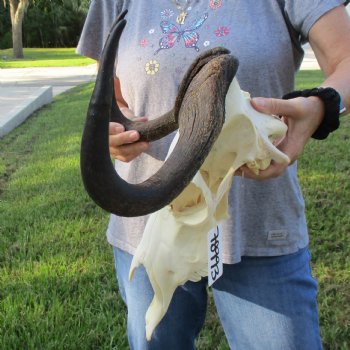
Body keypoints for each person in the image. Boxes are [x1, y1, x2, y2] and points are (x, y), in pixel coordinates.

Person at [77, 1, 350, 349]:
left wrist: (322, 105)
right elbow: (112, 91)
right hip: (149, 232)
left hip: (258, 224)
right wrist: (119, 128)